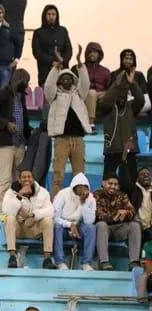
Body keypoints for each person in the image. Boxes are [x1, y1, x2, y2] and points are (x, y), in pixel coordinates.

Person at [45, 46, 92, 198]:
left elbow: (86, 83)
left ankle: (80, 204)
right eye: (63, 78)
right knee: (59, 175)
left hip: (78, 139)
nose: (66, 80)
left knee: (80, 176)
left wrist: (80, 64)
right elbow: (48, 86)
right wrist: (57, 66)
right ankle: (55, 206)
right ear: (59, 81)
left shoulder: (79, 95)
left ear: (73, 80)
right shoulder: (54, 96)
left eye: (69, 78)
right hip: (62, 140)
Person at [0, 68, 32, 211]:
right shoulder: (0, 94)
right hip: (4, 143)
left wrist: (30, 133)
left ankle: (17, 208)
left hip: (19, 143)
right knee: (5, 178)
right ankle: (1, 210)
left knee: (19, 179)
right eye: (25, 82)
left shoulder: (21, 97)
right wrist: (6, 124)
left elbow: (24, 119)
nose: (26, 85)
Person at [2, 169, 56, 269]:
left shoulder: (43, 192)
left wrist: (33, 214)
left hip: (33, 228)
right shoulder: (10, 192)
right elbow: (6, 211)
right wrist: (20, 195)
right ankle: (12, 257)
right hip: (18, 229)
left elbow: (51, 211)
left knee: (48, 221)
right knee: (9, 218)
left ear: (33, 179)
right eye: (24, 177)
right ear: (19, 180)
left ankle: (47, 259)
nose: (27, 179)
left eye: (29, 177)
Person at [99, 70, 144, 177]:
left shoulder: (131, 107)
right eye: (119, 93)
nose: (122, 96)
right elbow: (106, 101)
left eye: (124, 93)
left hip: (130, 151)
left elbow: (141, 100)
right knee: (108, 181)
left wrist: (132, 84)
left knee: (131, 182)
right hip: (112, 151)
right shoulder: (107, 108)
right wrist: (116, 84)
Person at [94, 173, 141, 271]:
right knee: (101, 225)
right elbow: (98, 215)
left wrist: (126, 212)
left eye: (115, 184)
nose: (112, 186)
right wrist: (116, 216)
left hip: (119, 229)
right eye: (110, 183)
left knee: (135, 226)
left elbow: (133, 212)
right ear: (103, 183)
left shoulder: (122, 196)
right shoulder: (96, 195)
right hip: (103, 230)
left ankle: (134, 262)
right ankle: (104, 262)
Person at [52, 173, 96, 271]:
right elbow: (55, 217)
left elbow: (89, 221)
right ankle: (60, 262)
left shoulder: (91, 198)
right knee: (57, 227)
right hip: (63, 226)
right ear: (74, 187)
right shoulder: (62, 194)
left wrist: (84, 203)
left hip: (79, 227)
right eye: (80, 187)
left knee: (91, 228)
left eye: (85, 187)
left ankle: (86, 263)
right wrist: (70, 224)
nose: (82, 190)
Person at [31, 4, 71, 87]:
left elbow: (68, 49)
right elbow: (37, 52)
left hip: (62, 70)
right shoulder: (38, 32)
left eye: (53, 14)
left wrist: (62, 61)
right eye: (49, 14)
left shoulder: (63, 31)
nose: (51, 17)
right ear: (44, 16)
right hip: (45, 71)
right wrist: (52, 61)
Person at [73, 42, 110, 130]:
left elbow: (110, 88)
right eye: (90, 52)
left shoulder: (105, 71)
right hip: (83, 96)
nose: (92, 54)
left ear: (99, 54)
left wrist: (105, 93)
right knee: (92, 93)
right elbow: (73, 86)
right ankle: (90, 123)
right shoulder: (77, 68)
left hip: (101, 97)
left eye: (95, 52)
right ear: (86, 54)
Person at [120, 166, 152, 244]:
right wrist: (123, 162)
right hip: (136, 225)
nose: (146, 176)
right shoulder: (133, 190)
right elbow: (124, 180)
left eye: (148, 174)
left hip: (150, 227)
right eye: (142, 174)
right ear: (137, 179)